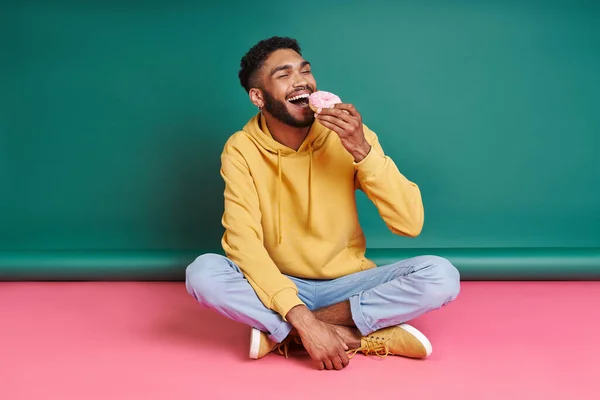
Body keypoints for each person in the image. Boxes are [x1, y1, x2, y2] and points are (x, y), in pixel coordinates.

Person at [185, 36, 460, 371]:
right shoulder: (240, 149)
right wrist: (298, 312)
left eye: (305, 71)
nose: (302, 80)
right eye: (284, 75)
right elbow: (243, 244)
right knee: (202, 273)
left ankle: (285, 333)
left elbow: (410, 223)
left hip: (348, 284)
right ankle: (360, 338)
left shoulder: (348, 135)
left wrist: (362, 150)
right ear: (258, 96)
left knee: (441, 276)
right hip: (279, 281)